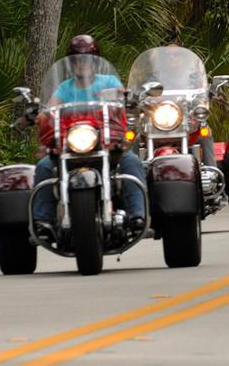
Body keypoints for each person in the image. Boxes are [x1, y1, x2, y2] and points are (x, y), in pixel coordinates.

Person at [33, 34, 146, 232]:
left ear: (95, 60)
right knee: (43, 167)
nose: (82, 63)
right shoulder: (64, 88)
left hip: (106, 142)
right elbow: (49, 109)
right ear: (70, 62)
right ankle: (43, 221)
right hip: (71, 145)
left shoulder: (108, 81)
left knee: (131, 162)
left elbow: (123, 96)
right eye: (77, 59)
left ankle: (138, 215)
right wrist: (39, 114)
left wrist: (128, 100)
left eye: (87, 58)